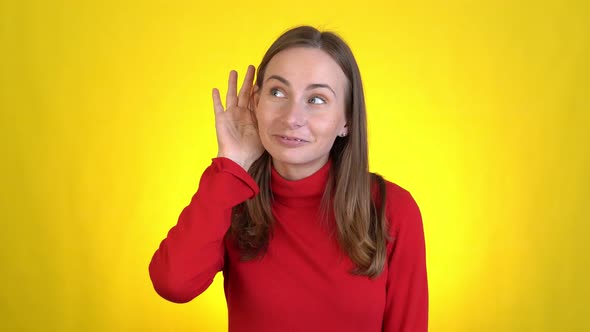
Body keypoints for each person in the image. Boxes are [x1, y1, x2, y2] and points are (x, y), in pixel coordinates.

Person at [149, 25, 428, 331]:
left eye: (317, 99)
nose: (292, 118)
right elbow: (173, 284)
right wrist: (231, 164)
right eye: (278, 92)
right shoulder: (231, 197)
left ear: (346, 120)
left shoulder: (393, 210)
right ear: (256, 102)